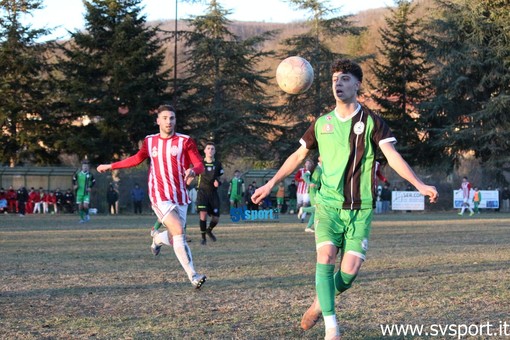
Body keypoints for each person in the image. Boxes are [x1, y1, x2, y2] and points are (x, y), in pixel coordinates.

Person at [251, 59, 438, 340]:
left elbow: (393, 157)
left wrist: (419, 184)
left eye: (345, 78)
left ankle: (318, 303)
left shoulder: (373, 122)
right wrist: (271, 183)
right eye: (335, 78)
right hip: (327, 206)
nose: (338, 83)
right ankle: (331, 328)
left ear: (358, 84)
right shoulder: (321, 124)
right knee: (325, 257)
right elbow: (297, 156)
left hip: (360, 208)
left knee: (348, 275)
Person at [97, 104, 207, 289]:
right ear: (157, 121)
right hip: (159, 194)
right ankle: (193, 276)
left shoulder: (185, 141)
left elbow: (199, 164)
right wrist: (111, 166)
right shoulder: (150, 142)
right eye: (164, 118)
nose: (168, 122)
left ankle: (157, 239)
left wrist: (193, 171)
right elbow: (136, 159)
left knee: (176, 238)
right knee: (178, 230)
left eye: (171, 118)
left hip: (180, 195)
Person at [196, 142, 224, 245]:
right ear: (205, 151)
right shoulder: (199, 164)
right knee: (203, 215)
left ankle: (209, 230)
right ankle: (203, 238)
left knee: (216, 218)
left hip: (213, 193)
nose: (210, 150)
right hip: (202, 193)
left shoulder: (218, 164)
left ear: (215, 151)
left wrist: (218, 183)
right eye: (208, 148)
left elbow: (220, 178)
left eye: (212, 149)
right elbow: (192, 175)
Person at [298, 156, 322, 233]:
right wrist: (309, 183)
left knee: (314, 211)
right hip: (313, 191)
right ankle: (303, 209)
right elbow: (304, 176)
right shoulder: (314, 167)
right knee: (317, 208)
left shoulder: (324, 168)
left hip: (318, 190)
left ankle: (308, 227)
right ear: (319, 158)